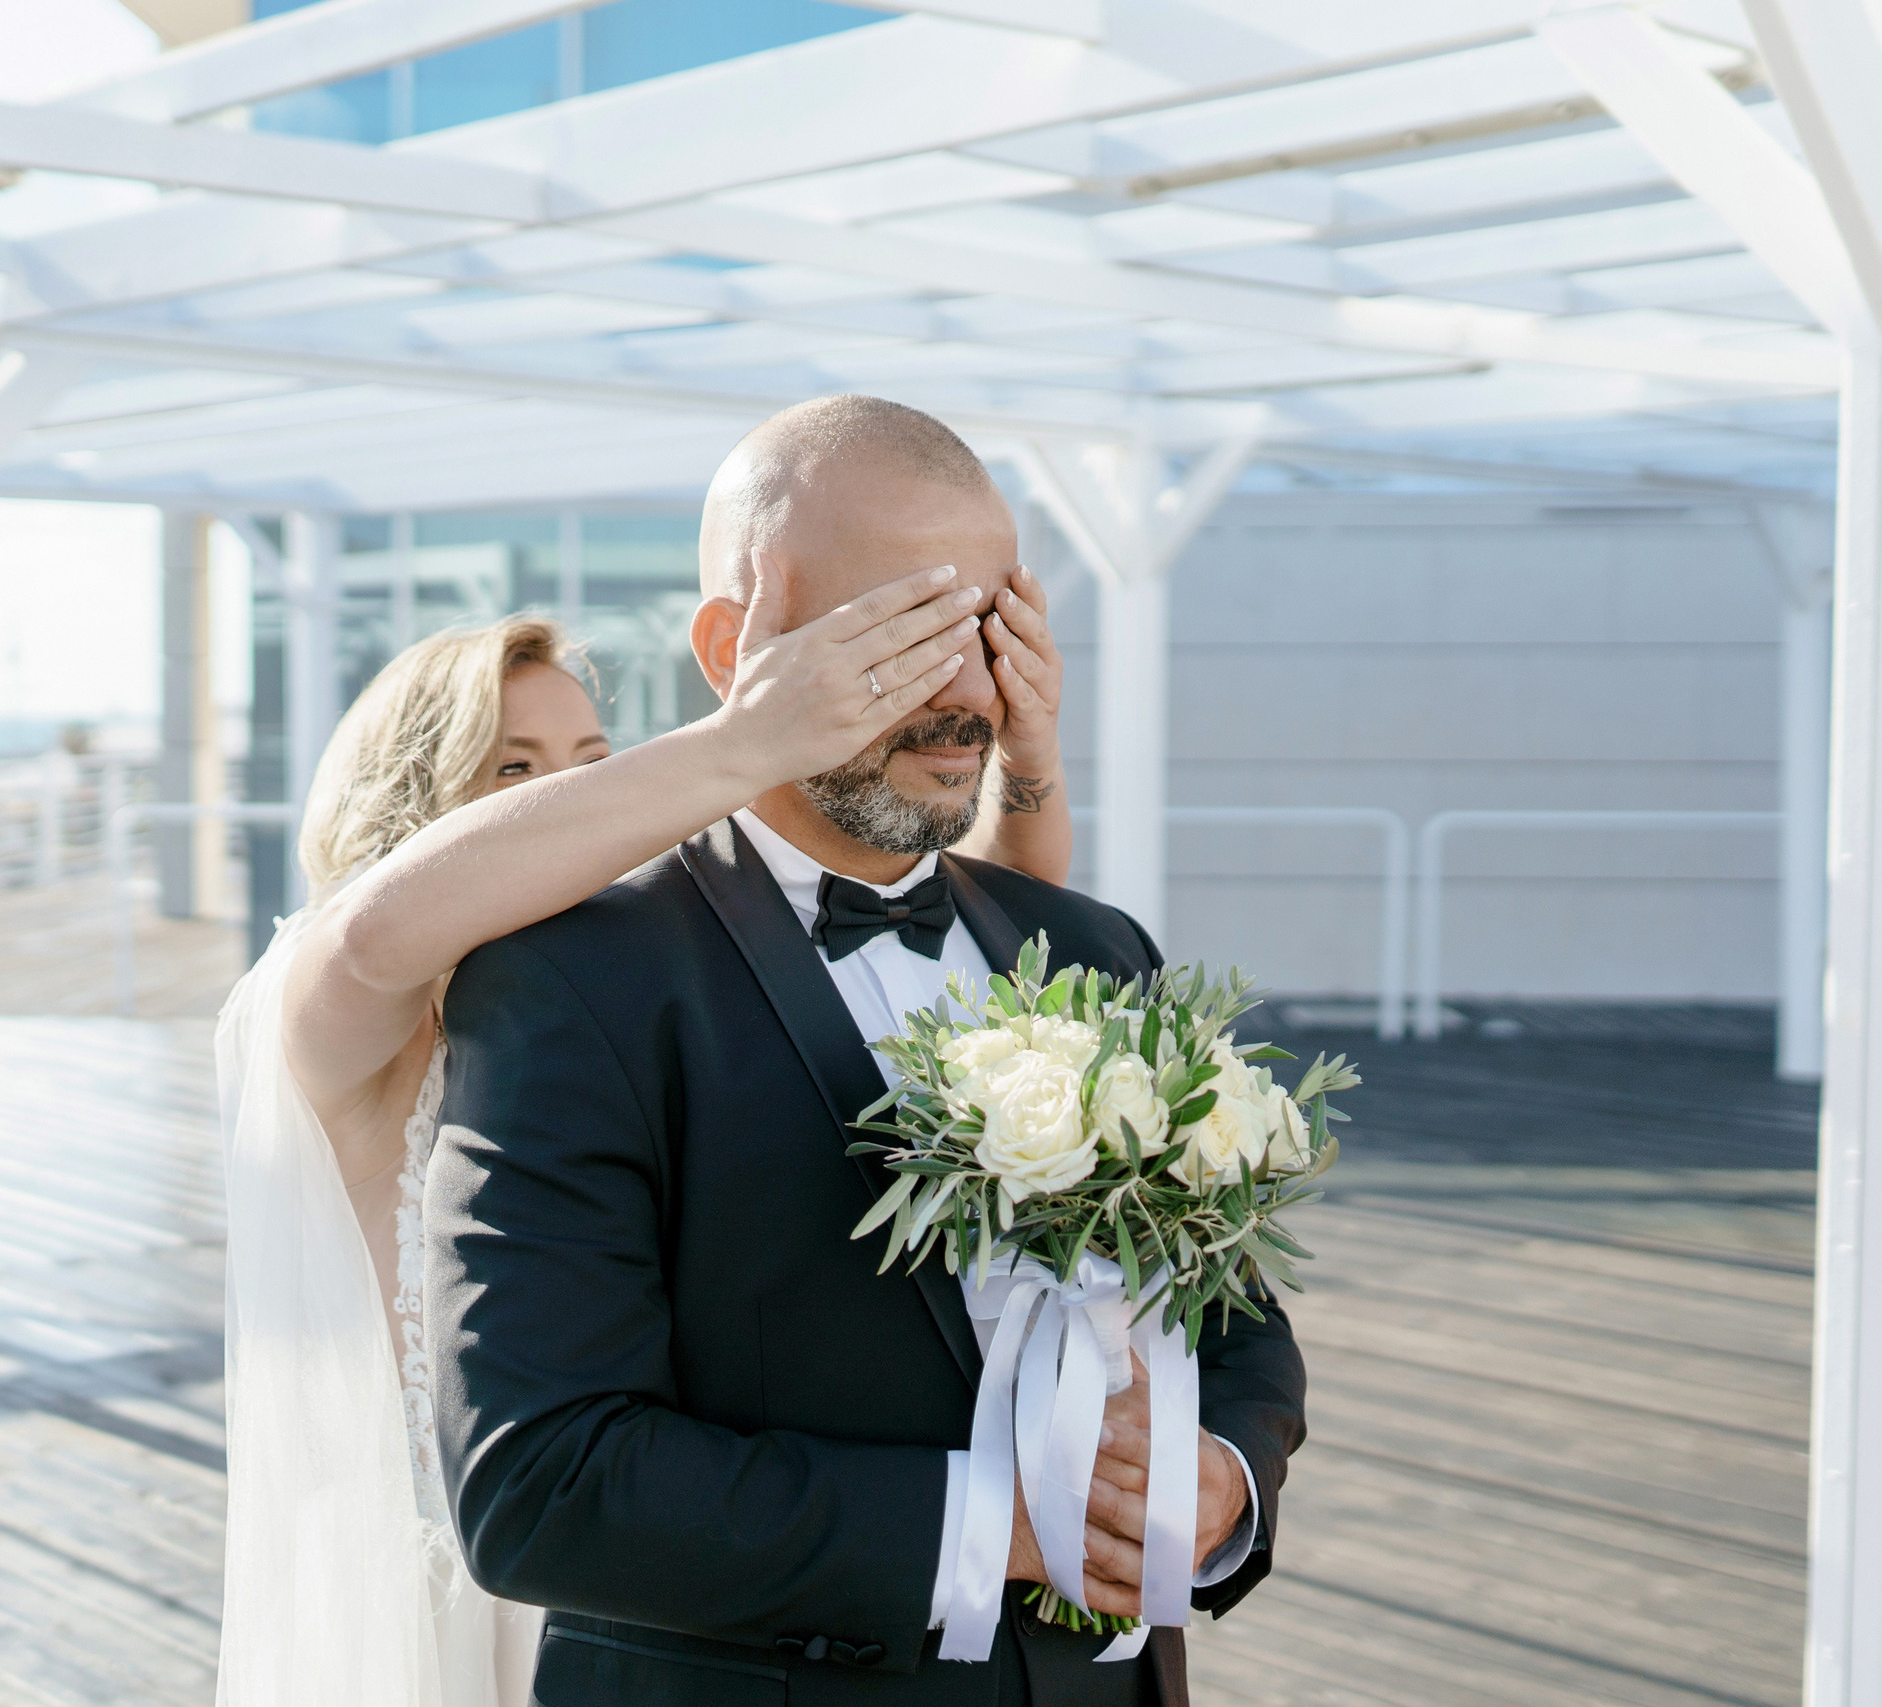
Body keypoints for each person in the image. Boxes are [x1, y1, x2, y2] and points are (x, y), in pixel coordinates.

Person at [425, 396, 1307, 1706]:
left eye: (988, 626)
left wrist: (1220, 1474)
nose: (964, 693)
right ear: (736, 645)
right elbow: (540, 1485)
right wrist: (1001, 1519)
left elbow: (1236, 1331)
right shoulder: (567, 977)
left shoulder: (1094, 943)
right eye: (902, 633)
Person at [212, 503, 1078, 1702]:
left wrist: (1021, 759)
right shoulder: (335, 991)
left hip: (666, 1549)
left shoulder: (616, 975)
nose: (577, 802)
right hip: (481, 1564)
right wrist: (750, 740)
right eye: (512, 770)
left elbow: (996, 947)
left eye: (590, 761)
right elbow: (376, 931)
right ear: (406, 796)